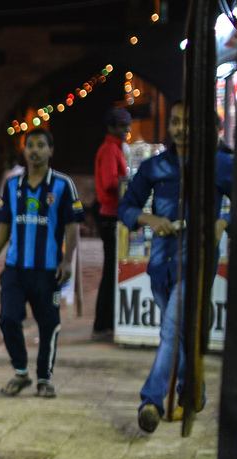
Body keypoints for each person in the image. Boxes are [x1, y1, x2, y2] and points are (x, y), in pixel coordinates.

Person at [118, 101, 232, 433]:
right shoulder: (155, 167)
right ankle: (193, 390)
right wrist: (150, 218)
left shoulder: (219, 165)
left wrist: (222, 223)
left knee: (170, 331)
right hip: (160, 265)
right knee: (180, 335)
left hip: (195, 261)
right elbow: (128, 206)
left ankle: (150, 401)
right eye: (176, 122)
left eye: (189, 123)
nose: (181, 129)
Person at [0, 130, 84, 399]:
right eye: (31, 146)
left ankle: (44, 378)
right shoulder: (13, 185)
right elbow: (5, 223)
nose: (35, 151)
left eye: (41, 146)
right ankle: (20, 372)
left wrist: (67, 261)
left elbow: (73, 226)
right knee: (8, 318)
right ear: (24, 150)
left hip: (48, 270)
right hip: (15, 269)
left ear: (51, 151)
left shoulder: (63, 185)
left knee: (48, 324)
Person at [93, 108, 132, 338]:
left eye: (127, 125)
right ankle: (103, 323)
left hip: (111, 213)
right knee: (110, 271)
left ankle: (106, 321)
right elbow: (109, 183)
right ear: (112, 127)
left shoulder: (115, 149)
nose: (126, 130)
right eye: (122, 126)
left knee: (111, 270)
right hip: (109, 214)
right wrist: (128, 184)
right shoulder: (109, 150)